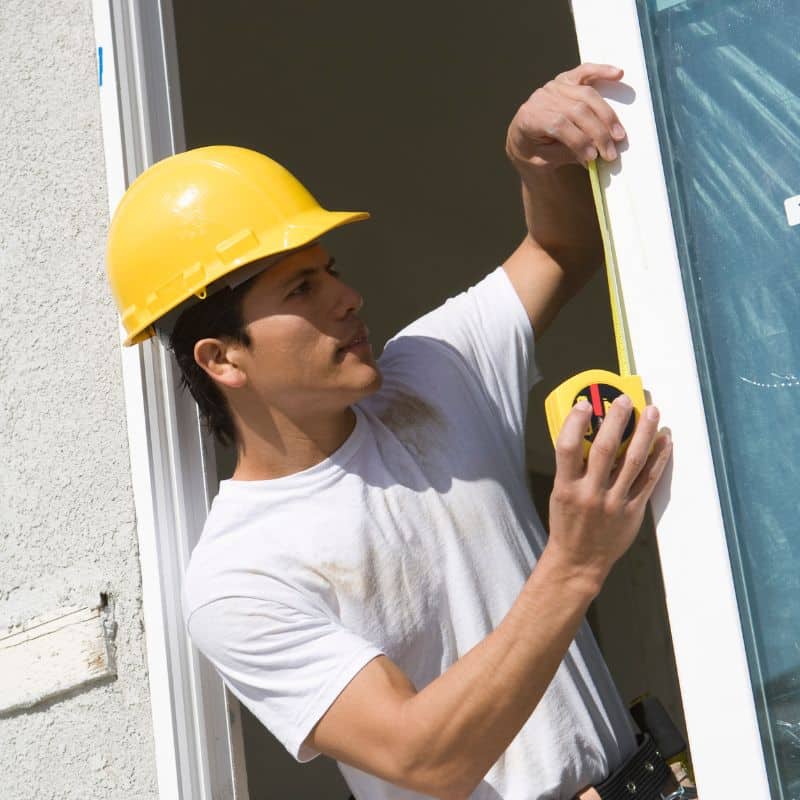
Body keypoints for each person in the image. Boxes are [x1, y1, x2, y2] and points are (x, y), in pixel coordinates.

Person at [107, 63, 679, 799]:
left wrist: (535, 160)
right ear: (222, 359)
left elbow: (559, 252)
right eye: (302, 289)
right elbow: (424, 759)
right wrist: (575, 561)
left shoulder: (433, 371)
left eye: (330, 270)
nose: (349, 298)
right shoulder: (239, 579)